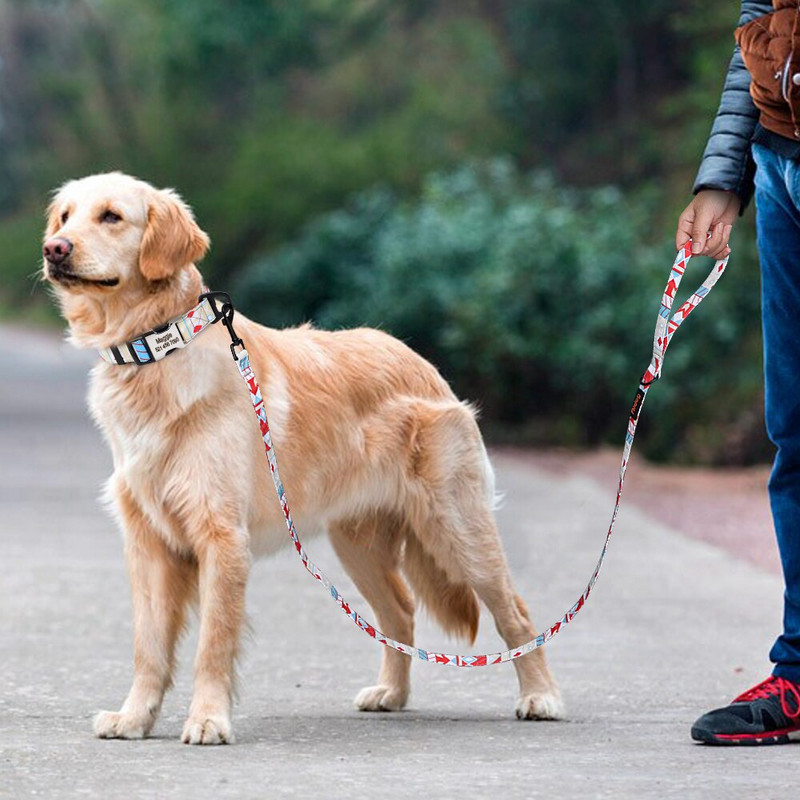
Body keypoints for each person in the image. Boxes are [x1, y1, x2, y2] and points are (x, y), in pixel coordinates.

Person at [678, 0, 800, 745]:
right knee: (795, 433)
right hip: (780, 160)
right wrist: (725, 172)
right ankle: (798, 673)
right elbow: (760, 22)